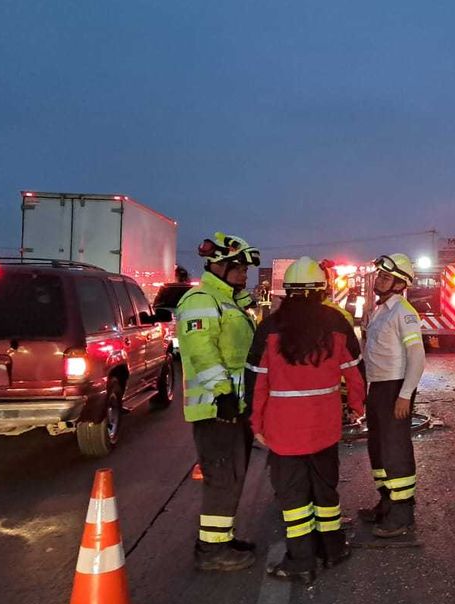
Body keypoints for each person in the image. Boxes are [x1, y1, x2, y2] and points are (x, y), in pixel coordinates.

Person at [246, 257, 366, 583]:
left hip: (283, 431)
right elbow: (355, 372)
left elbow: (256, 381)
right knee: (325, 490)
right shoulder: (337, 324)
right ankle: (333, 548)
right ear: (322, 289)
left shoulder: (269, 327)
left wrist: (255, 423)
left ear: (287, 290)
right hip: (325, 426)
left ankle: (301, 561)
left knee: (294, 497)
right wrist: (357, 407)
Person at [177, 232, 261, 572]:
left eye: (245, 269)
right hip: (216, 409)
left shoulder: (228, 301)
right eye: (239, 268)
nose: (244, 275)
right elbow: (201, 351)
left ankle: (221, 537)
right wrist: (223, 393)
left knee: (233, 474)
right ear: (219, 266)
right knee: (223, 476)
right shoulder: (201, 300)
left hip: (233, 408)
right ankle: (212, 551)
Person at [358, 253, 426, 537]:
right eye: (380, 276)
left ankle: (402, 512)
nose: (380, 280)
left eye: (387, 277)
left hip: (394, 388)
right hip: (378, 387)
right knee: (378, 447)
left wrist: (405, 395)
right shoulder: (380, 311)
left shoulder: (403, 312)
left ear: (400, 284)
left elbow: (417, 356)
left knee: (396, 450)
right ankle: (386, 502)